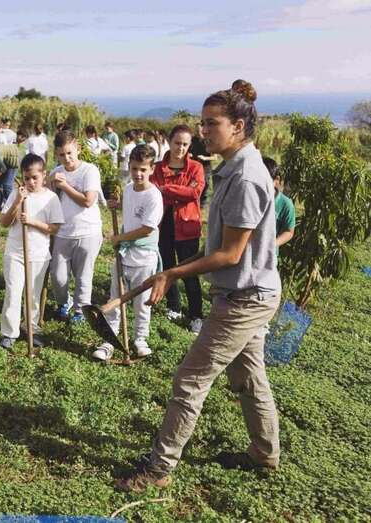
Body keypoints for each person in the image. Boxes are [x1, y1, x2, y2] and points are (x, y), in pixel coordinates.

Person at [116, 80, 282, 492]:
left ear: (239, 126)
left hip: (244, 298)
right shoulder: (232, 167)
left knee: (189, 380)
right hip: (249, 291)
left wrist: (172, 273)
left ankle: (159, 468)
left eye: (212, 123)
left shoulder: (245, 177)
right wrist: (172, 268)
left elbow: (229, 254)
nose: (203, 131)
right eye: (202, 122)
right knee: (250, 378)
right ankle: (265, 453)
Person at [92, 144, 163, 361]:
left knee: (141, 300)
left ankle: (140, 339)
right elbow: (130, 208)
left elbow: (146, 229)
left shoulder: (154, 196)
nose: (138, 174)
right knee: (116, 296)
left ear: (151, 169)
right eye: (134, 169)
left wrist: (119, 238)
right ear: (129, 167)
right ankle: (110, 340)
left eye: (143, 169)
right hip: (123, 254)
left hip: (144, 256)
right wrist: (118, 204)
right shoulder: (130, 188)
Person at [0, 153, 64, 350]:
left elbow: (54, 228)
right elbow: (4, 223)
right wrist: (18, 201)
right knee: (13, 293)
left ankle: (31, 328)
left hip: (38, 254)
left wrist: (32, 222)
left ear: (44, 175)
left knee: (33, 296)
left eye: (35, 177)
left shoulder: (51, 198)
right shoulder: (17, 194)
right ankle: (9, 333)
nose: (31, 182)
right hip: (15, 253)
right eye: (27, 178)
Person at [151, 125, 205, 333]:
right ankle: (174, 306)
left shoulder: (196, 168)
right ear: (169, 142)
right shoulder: (157, 168)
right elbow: (153, 193)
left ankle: (196, 314)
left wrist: (166, 189)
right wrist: (179, 191)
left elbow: (195, 193)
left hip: (187, 226)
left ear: (189, 145)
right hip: (163, 224)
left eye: (185, 144)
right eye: (177, 143)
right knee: (166, 267)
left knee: (189, 271)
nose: (180, 148)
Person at [49, 130, 103, 323]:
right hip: (63, 232)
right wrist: (53, 186)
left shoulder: (90, 171)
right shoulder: (55, 173)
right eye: (62, 154)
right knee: (58, 276)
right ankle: (64, 301)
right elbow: (47, 199)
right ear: (56, 154)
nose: (67, 158)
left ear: (78, 148)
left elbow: (88, 201)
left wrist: (65, 187)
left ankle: (81, 310)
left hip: (88, 231)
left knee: (83, 276)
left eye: (70, 153)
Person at [262, 157, 296, 249]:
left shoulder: (285, 204)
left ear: (276, 180)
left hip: (268, 256)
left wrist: (273, 244)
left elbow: (289, 231)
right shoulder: (249, 198)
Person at [190, 121, 217, 209]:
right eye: (196, 130)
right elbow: (188, 151)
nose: (197, 132)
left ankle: (202, 205)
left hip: (205, 168)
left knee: (205, 186)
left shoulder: (208, 141)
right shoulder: (192, 140)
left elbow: (215, 157)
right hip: (194, 168)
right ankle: (195, 202)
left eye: (199, 130)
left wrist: (205, 158)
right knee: (193, 185)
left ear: (202, 129)